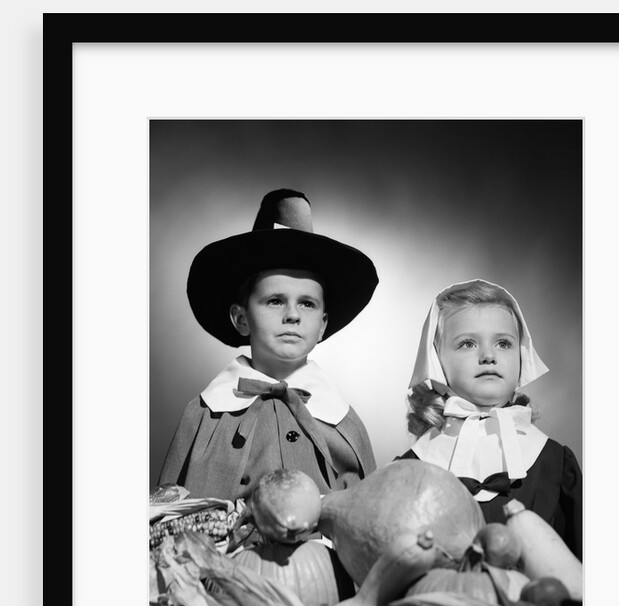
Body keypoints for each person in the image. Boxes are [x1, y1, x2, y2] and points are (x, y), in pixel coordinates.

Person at [157, 188, 378, 504]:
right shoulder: (204, 413)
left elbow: (370, 515)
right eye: (275, 301)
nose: (292, 315)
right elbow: (166, 512)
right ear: (241, 318)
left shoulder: (341, 420)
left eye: (307, 304)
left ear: (323, 324)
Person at [396, 278, 582, 559]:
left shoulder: (556, 464)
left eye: (504, 343)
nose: (488, 356)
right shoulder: (408, 471)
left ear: (521, 355)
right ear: (435, 360)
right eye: (468, 343)